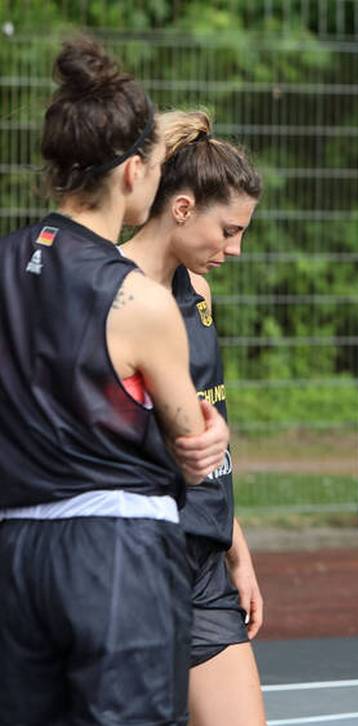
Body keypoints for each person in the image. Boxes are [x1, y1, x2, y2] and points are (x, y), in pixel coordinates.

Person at [0, 37, 229, 724]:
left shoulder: (6, 262)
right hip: (116, 553)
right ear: (133, 171)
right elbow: (193, 441)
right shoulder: (139, 300)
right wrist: (209, 436)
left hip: (15, 548)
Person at [120, 109, 266, 726]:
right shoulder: (108, 289)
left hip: (203, 560)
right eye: (228, 231)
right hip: (132, 558)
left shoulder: (198, 292)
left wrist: (236, 547)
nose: (233, 250)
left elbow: (206, 433)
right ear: (181, 209)